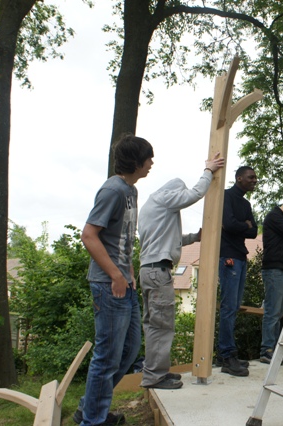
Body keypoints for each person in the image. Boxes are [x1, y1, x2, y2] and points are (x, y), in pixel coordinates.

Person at [74, 134, 154, 426]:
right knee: (107, 357)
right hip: (109, 285)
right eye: (148, 158)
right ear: (136, 161)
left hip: (124, 283)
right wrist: (116, 275)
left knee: (130, 350)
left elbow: (120, 239)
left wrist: (129, 271)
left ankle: (88, 408)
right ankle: (92, 421)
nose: (151, 163)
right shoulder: (112, 191)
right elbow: (89, 235)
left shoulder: (130, 191)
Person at [137, 153, 225, 389]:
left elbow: (170, 239)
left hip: (149, 270)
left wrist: (195, 237)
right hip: (158, 272)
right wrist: (208, 171)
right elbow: (194, 194)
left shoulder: (150, 207)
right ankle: (155, 377)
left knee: (154, 325)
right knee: (161, 326)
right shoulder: (165, 197)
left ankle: (156, 372)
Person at [217, 166, 258, 376]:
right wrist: (244, 224)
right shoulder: (226, 196)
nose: (254, 181)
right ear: (239, 178)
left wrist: (241, 225)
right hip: (228, 257)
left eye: (256, 178)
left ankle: (229, 353)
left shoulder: (246, 203)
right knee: (228, 307)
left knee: (234, 306)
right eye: (251, 177)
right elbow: (229, 224)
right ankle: (226, 356)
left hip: (241, 256)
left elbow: (254, 231)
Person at [260, 195, 283, 364]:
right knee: (272, 311)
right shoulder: (274, 216)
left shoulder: (280, 219)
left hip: (281, 268)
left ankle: (274, 349)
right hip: (273, 268)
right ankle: (266, 350)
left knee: (278, 312)